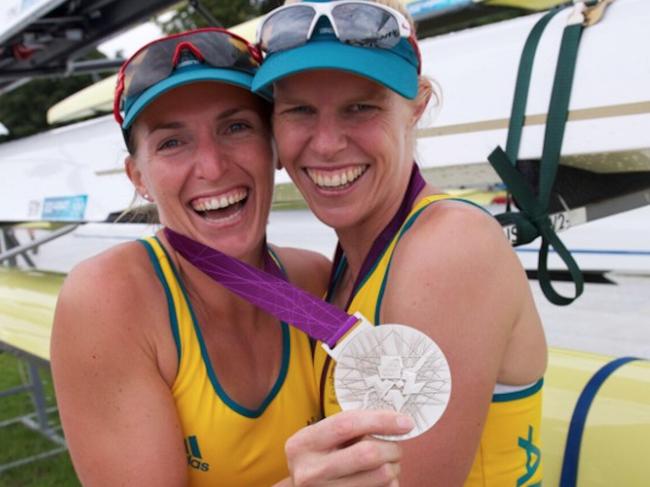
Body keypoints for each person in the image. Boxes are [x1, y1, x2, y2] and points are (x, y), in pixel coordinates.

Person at [51, 27, 413, 486]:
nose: (213, 167)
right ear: (137, 175)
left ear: (273, 146)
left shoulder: (312, 282)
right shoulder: (111, 299)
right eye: (172, 142)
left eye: (236, 127)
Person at [252, 1, 548, 485]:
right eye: (300, 110)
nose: (326, 144)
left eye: (361, 107)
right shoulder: (355, 258)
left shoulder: (448, 247)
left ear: (418, 105)